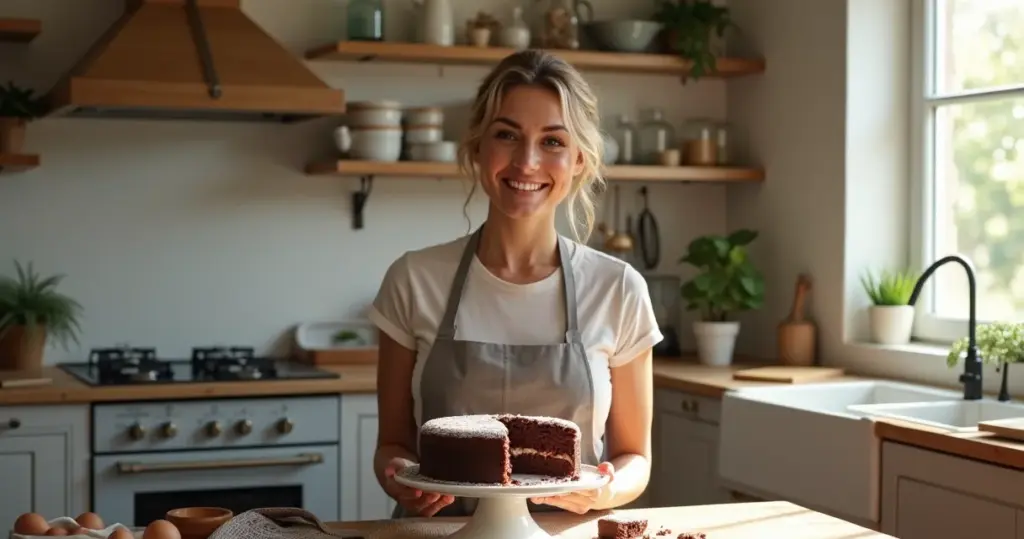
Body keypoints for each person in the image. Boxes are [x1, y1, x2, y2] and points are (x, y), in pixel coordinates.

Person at [367, 49, 663, 519]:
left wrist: (603, 491)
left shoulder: (618, 288)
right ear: (477, 148)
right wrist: (402, 476)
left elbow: (635, 459)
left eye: (552, 142)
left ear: (580, 159)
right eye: (506, 135)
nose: (526, 162)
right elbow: (392, 444)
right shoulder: (414, 280)